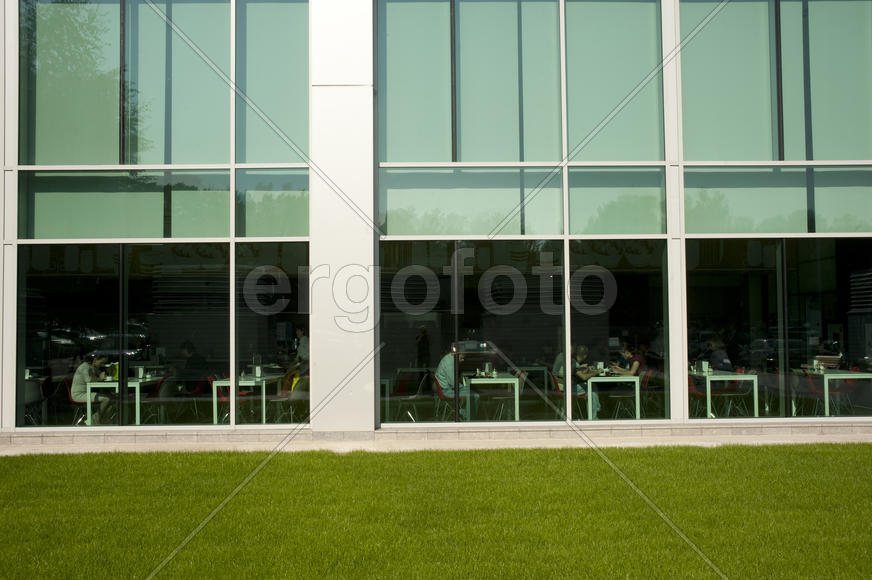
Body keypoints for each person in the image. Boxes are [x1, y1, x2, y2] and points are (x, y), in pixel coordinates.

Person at [70, 353, 114, 425]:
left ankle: (99, 420)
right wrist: (100, 378)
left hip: (86, 393)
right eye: (101, 363)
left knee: (111, 399)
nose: (102, 365)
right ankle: (94, 419)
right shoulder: (85, 367)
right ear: (95, 360)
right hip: (79, 395)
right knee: (106, 399)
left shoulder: (91, 367)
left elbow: (99, 374)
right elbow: (89, 380)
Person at [434, 350, 479, 420]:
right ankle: (467, 417)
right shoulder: (449, 363)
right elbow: (453, 382)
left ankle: (464, 413)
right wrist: (463, 386)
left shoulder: (449, 359)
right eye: (462, 357)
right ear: (458, 354)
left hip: (446, 388)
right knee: (474, 395)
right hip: (446, 391)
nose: (463, 360)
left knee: (471, 392)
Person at [572, 345, 601, 418]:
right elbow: (583, 377)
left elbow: (578, 372)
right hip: (570, 389)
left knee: (592, 387)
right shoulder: (573, 363)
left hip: (568, 386)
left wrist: (587, 369)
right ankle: (594, 417)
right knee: (592, 392)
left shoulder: (573, 361)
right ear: (585, 356)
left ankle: (596, 409)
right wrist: (596, 372)